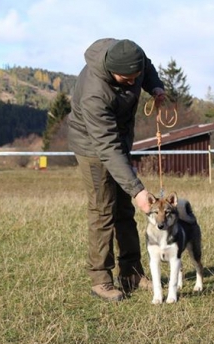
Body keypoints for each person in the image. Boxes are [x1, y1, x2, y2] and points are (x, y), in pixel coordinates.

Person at [67, 38, 166, 301]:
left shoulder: (131, 56)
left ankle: (132, 272)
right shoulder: (94, 93)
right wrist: (137, 189)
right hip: (93, 146)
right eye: (127, 78)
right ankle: (100, 279)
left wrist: (155, 87)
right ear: (112, 71)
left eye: (137, 77)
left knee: (124, 208)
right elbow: (107, 147)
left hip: (119, 141)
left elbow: (146, 67)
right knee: (103, 209)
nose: (134, 82)